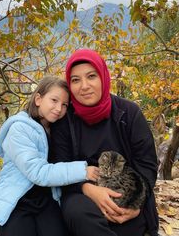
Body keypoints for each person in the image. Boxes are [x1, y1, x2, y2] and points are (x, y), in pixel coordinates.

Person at [50, 49, 159, 236]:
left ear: (103, 76)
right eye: (75, 80)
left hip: (126, 197)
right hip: (82, 197)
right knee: (78, 214)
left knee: (128, 225)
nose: (84, 86)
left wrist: (136, 204)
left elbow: (147, 165)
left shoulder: (129, 113)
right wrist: (89, 189)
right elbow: (59, 167)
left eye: (91, 76)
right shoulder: (64, 121)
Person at [0, 75, 99, 236]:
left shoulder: (55, 129)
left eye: (64, 105)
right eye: (54, 100)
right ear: (38, 99)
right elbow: (37, 172)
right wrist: (83, 170)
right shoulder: (19, 129)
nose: (58, 109)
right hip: (18, 199)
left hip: (47, 198)